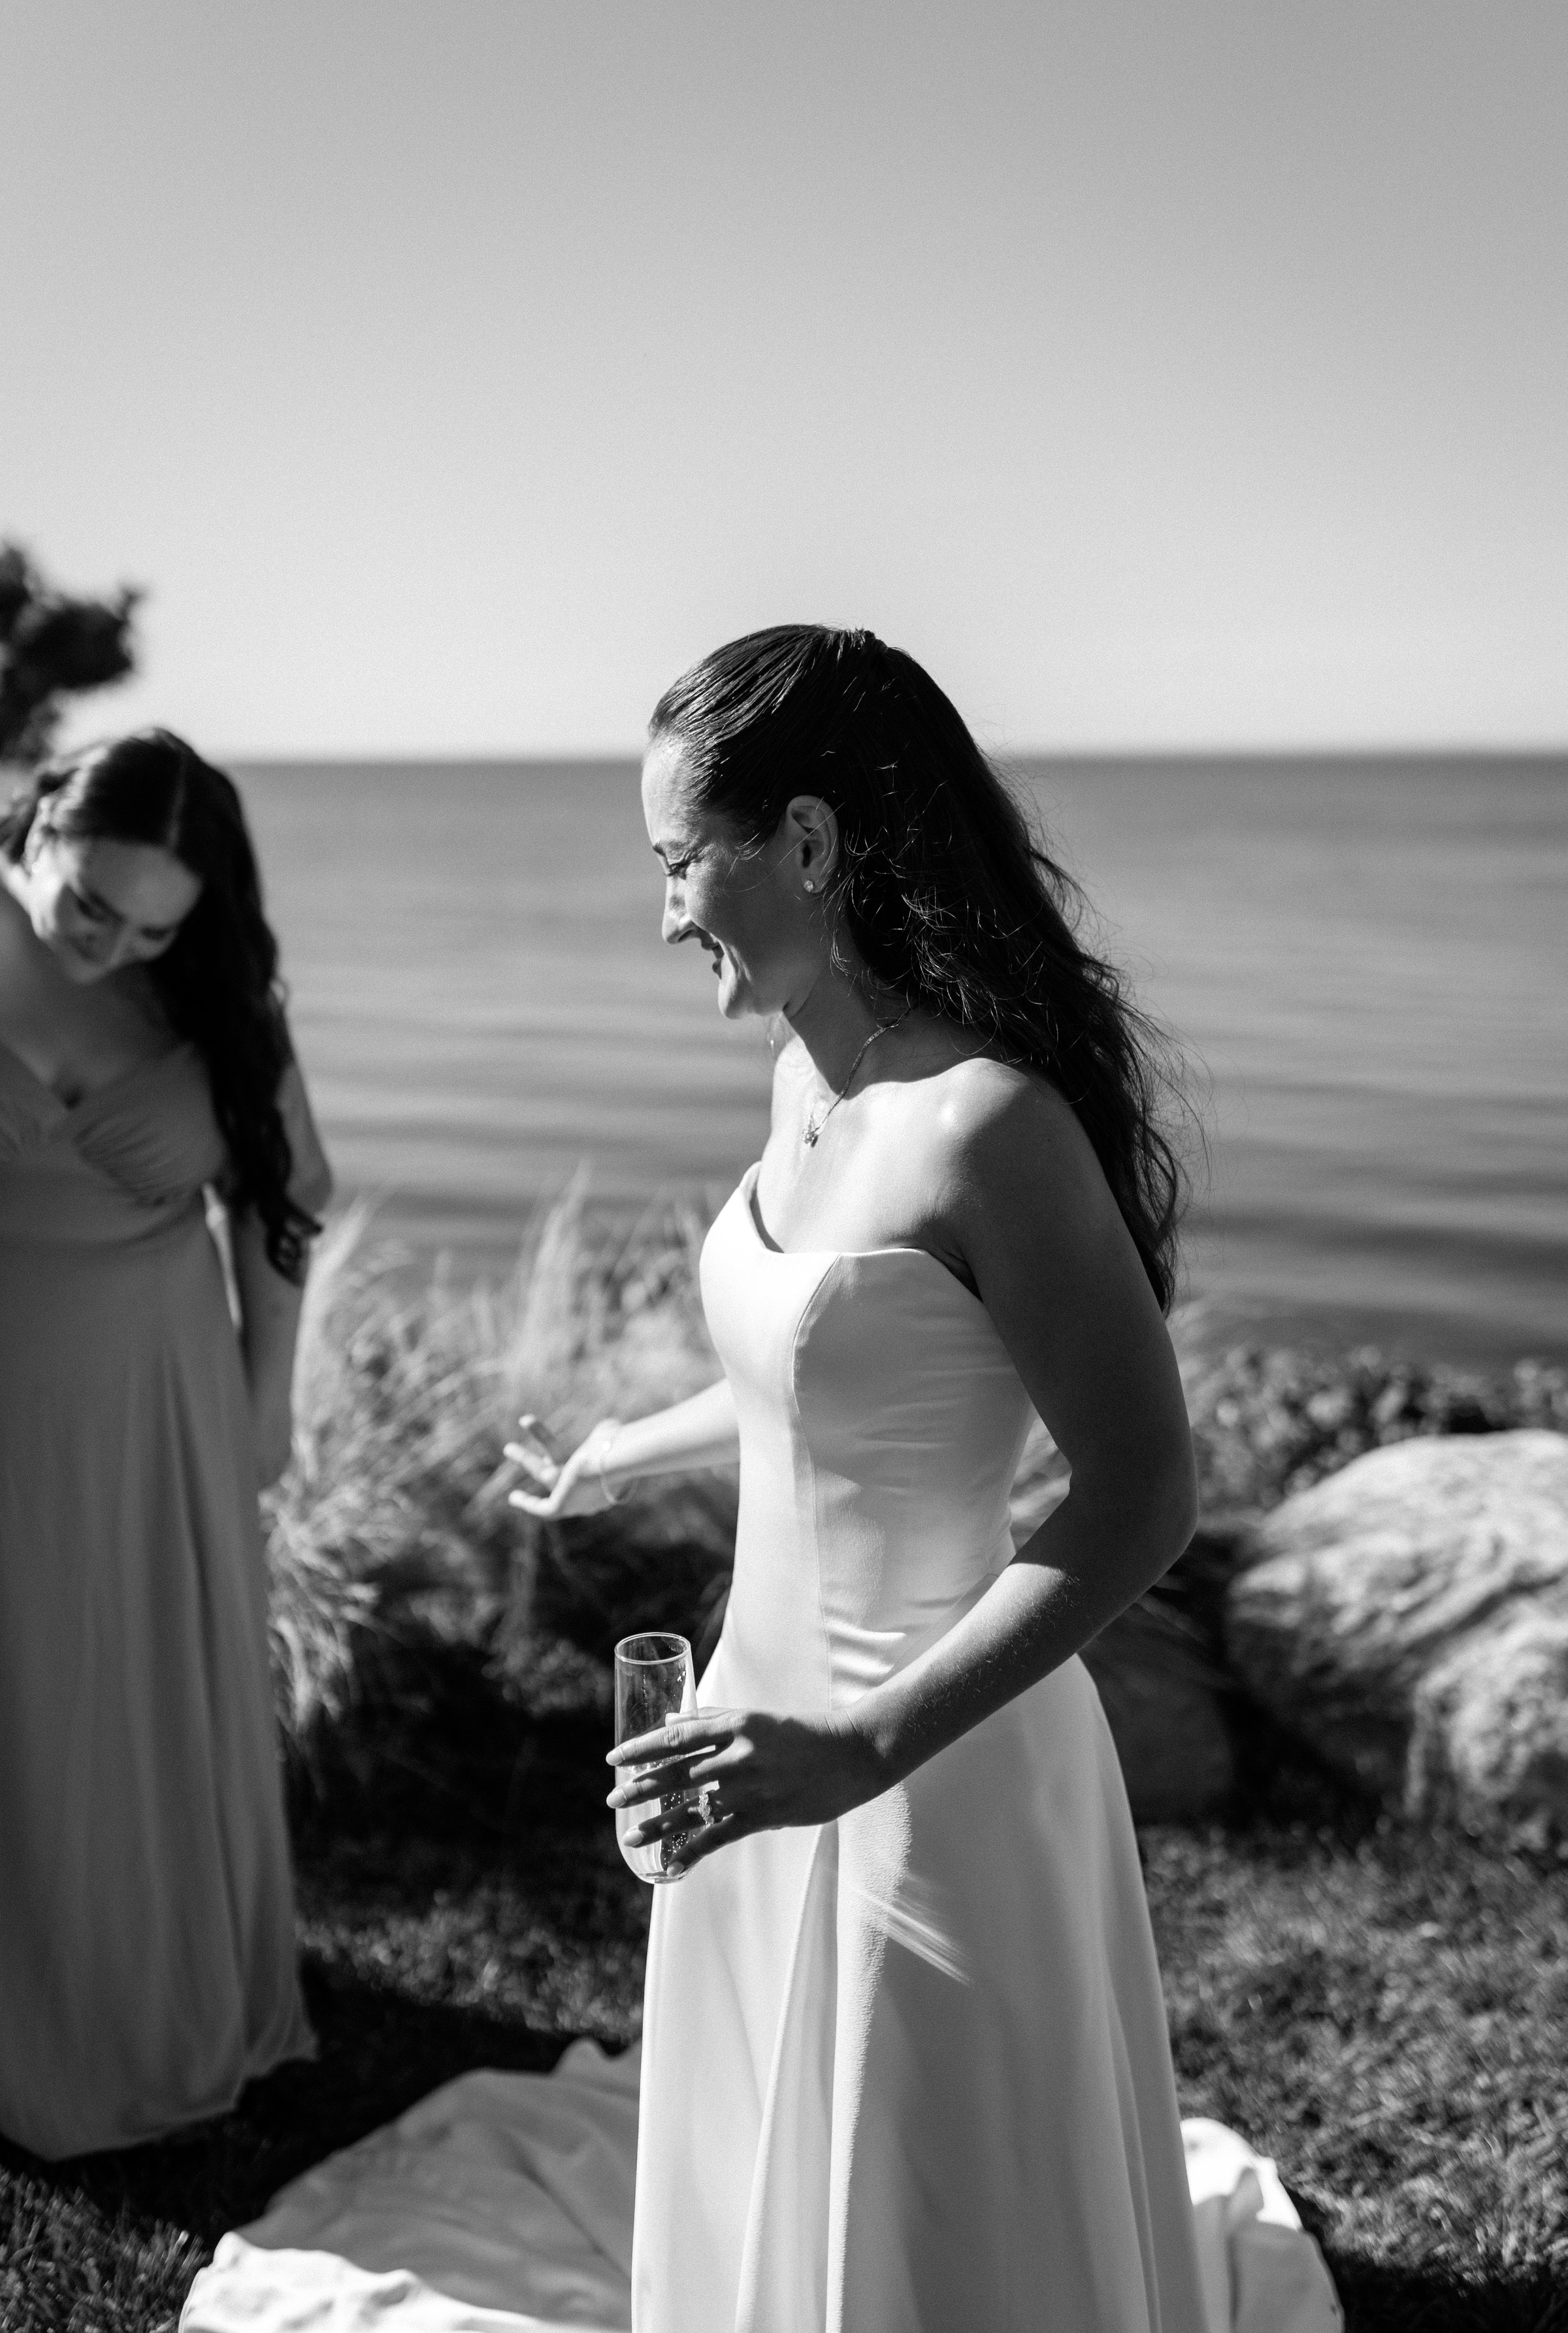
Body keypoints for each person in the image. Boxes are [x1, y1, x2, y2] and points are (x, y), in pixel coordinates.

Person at [505, 627, 1213, 2332]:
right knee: (776, 2159)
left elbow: (1141, 1493)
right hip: (751, 1730)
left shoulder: (987, 1128)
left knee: (926, 2208)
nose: (664, 912)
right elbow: (808, 1374)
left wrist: (867, 1747)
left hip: (933, 1762)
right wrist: (617, 1452)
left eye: (679, 860)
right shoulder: (799, 1076)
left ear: (807, 843)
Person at [0, 729, 328, 2159]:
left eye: (152, 928)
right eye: (91, 906)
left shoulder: (207, 987)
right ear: (37, 822)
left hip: (160, 1403)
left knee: (143, 1697)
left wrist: (266, 1400)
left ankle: (149, 1999)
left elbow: (282, 1200)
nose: (111, 950)